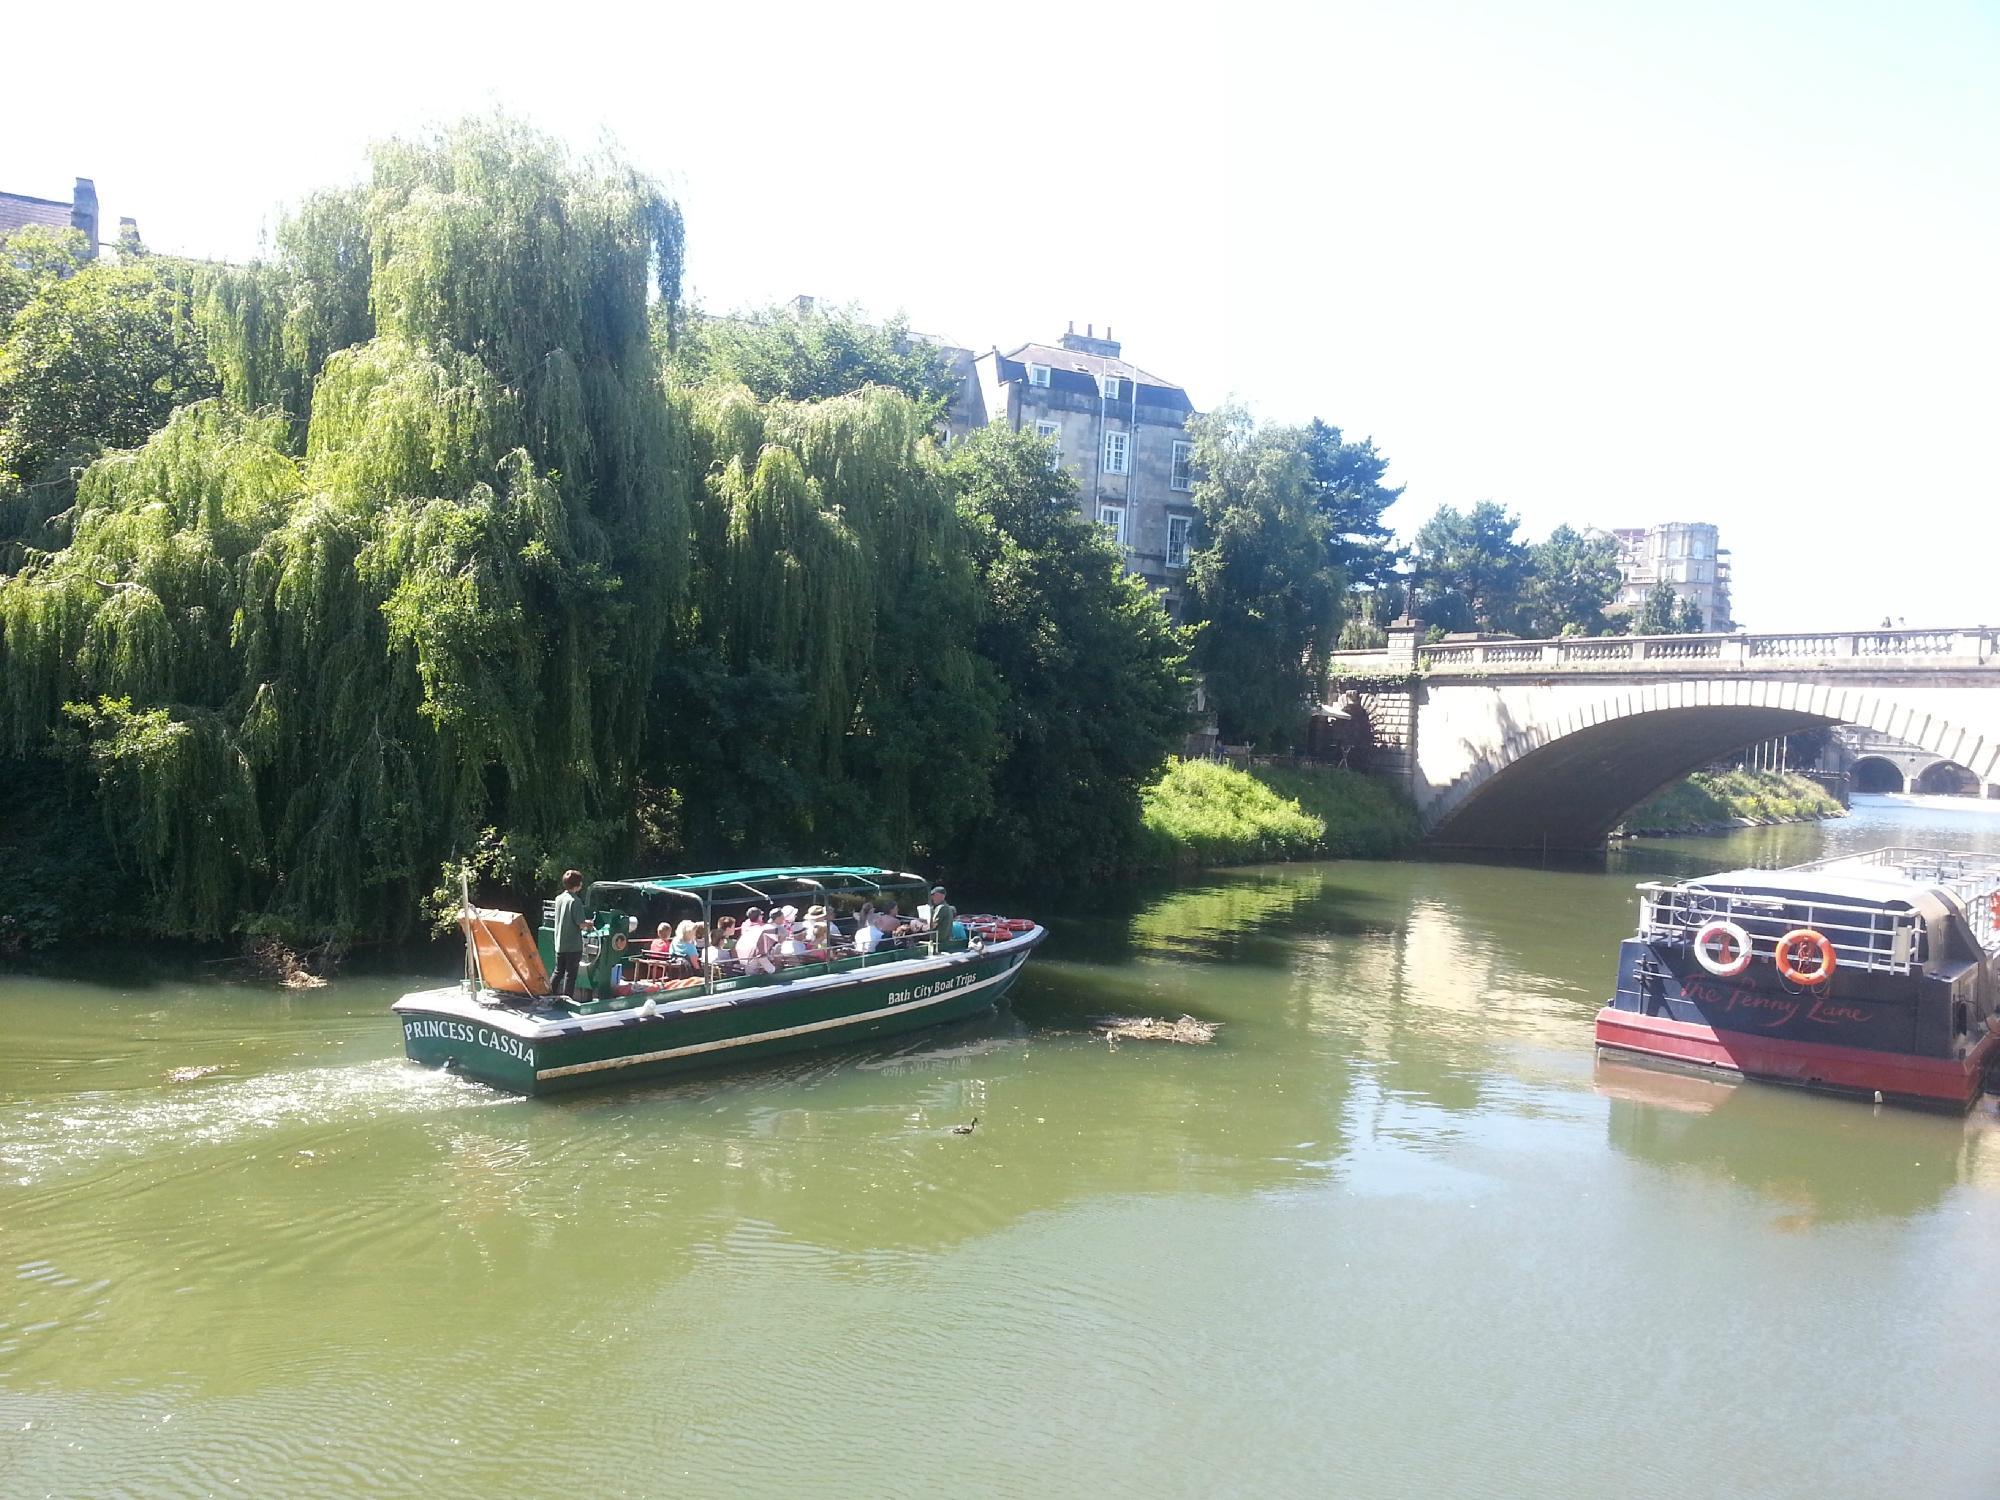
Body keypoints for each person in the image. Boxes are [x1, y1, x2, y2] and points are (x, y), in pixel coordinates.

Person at [550, 869, 586, 997]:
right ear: (577, 885)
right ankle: (567, 1000)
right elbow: (581, 924)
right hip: (573, 946)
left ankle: (549, 995)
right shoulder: (575, 901)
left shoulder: (559, 899)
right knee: (570, 975)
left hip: (560, 943)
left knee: (558, 972)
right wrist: (589, 924)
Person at [736, 907, 777, 975]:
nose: (762, 916)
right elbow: (761, 956)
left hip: (746, 959)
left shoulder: (745, 927)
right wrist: (773, 970)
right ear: (759, 917)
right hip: (754, 958)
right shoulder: (762, 929)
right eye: (761, 915)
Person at [921, 885, 957, 952]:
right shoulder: (947, 907)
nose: (932, 897)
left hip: (938, 938)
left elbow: (933, 926)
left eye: (933, 895)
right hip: (944, 938)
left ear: (940, 896)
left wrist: (921, 926)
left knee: (913, 930)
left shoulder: (941, 907)